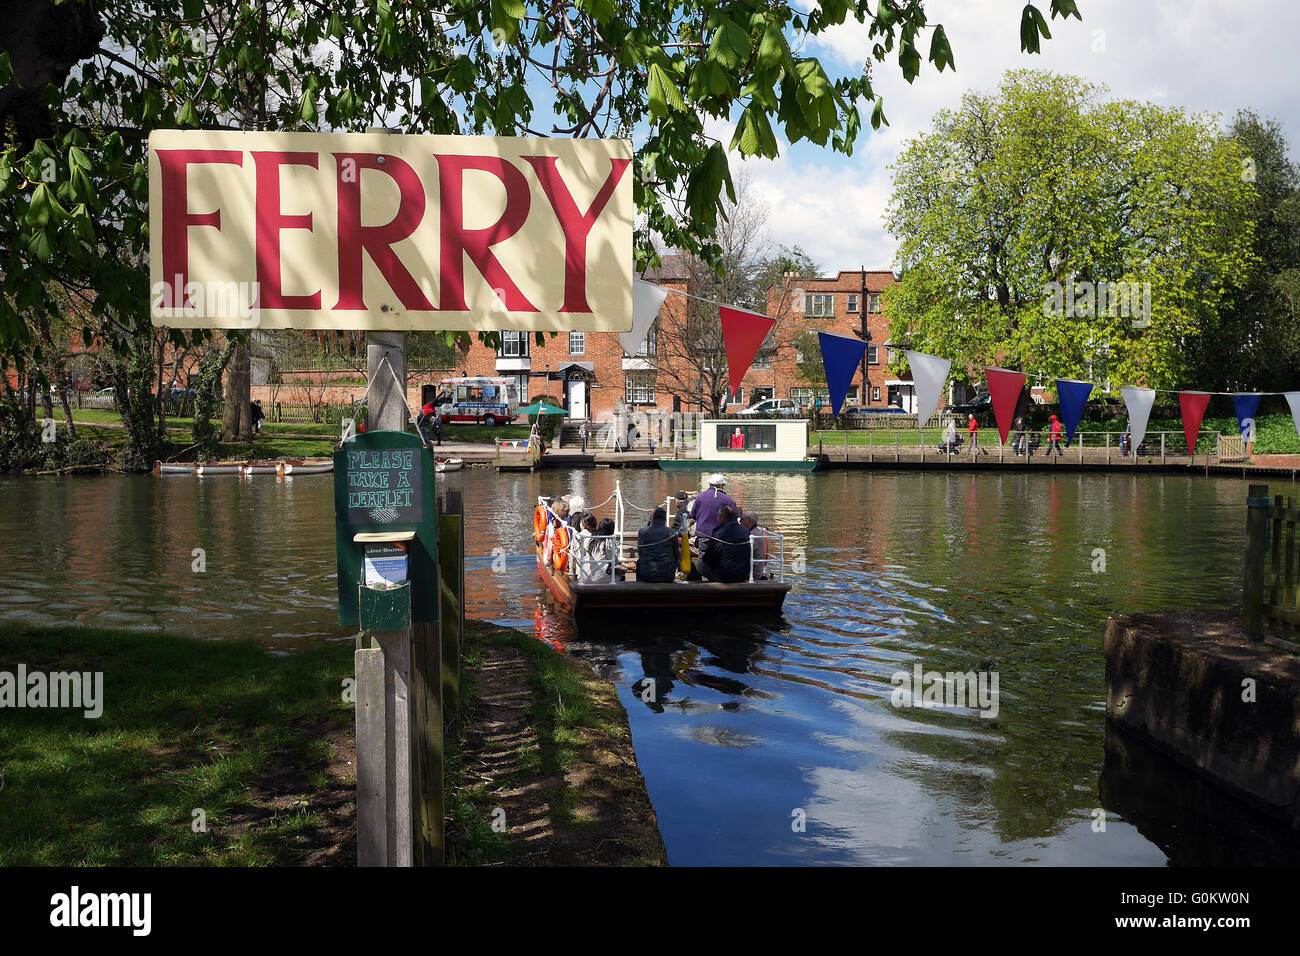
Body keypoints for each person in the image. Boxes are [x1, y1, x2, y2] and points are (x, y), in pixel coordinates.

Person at [699, 505, 752, 583]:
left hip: (723, 576)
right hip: (742, 575)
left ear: (722, 518)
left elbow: (708, 559)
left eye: (718, 516)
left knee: (698, 564)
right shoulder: (745, 531)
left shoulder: (719, 534)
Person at [636, 507, 680, 583]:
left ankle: (639, 586)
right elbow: (676, 554)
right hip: (667, 575)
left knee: (639, 562)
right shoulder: (672, 533)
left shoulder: (642, 532)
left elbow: (640, 553)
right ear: (665, 519)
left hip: (646, 574)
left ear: (652, 518)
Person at [690, 474, 735, 543]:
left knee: (704, 553)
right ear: (720, 485)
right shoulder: (727, 499)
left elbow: (693, 515)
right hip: (721, 537)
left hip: (703, 535)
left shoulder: (700, 497)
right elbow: (736, 516)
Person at [739, 511, 770, 579]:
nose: (740, 522)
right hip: (756, 570)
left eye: (741, 519)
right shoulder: (756, 532)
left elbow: (740, 552)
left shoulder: (752, 536)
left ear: (749, 521)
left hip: (753, 574)